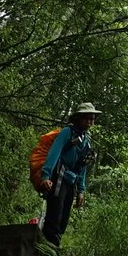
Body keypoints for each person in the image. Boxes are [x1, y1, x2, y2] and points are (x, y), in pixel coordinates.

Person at [37, 102, 100, 246]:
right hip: (58, 178)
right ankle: (46, 253)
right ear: (78, 118)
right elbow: (54, 153)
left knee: (64, 218)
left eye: (93, 118)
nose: (91, 121)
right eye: (87, 118)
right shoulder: (67, 132)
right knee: (54, 216)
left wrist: (81, 190)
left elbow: (82, 166)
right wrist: (46, 176)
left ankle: (53, 249)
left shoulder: (86, 139)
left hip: (71, 182)